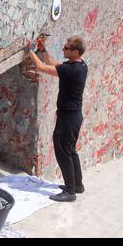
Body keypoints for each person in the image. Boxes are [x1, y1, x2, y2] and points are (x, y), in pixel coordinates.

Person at [28, 36, 88, 202]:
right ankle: (77, 185)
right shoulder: (79, 66)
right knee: (70, 151)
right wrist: (42, 50)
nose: (63, 49)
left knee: (63, 153)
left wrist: (28, 50)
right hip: (73, 117)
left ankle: (69, 191)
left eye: (66, 48)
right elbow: (54, 64)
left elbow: (41, 67)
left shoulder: (71, 70)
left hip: (68, 118)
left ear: (75, 52)